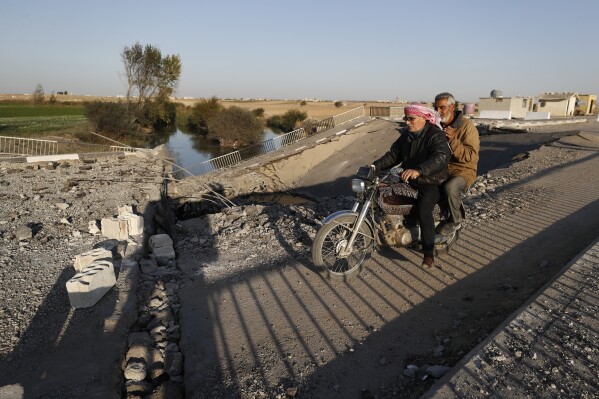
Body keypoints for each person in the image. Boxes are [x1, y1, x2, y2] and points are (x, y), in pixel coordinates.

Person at [371, 104, 451, 268]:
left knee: (424, 211)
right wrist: (374, 167)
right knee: (385, 193)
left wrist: (419, 170)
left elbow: (441, 157)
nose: (407, 122)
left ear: (423, 118)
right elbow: (393, 155)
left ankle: (428, 253)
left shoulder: (435, 135)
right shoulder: (406, 136)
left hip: (431, 182)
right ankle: (404, 228)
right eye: (406, 118)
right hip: (410, 179)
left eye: (411, 118)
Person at [433, 92, 480, 235]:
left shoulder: (467, 127)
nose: (438, 111)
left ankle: (455, 220)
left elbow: (471, 156)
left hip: (463, 170)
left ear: (452, 107)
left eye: (442, 108)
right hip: (441, 168)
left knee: (450, 187)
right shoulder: (436, 125)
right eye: (436, 108)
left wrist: (454, 140)